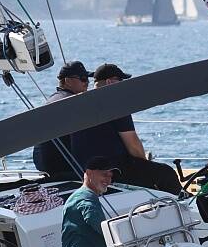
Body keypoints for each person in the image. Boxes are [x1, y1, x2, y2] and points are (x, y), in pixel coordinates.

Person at [69, 63, 182, 195]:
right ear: (110, 82)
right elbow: (133, 145)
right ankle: (183, 203)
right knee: (165, 173)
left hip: (84, 171)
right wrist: (146, 165)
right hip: (115, 170)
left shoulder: (78, 103)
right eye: (120, 81)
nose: (123, 85)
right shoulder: (115, 103)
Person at [32, 61, 90, 178]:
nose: (87, 82)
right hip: (66, 170)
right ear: (67, 81)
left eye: (88, 79)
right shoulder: (72, 102)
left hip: (46, 167)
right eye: (83, 78)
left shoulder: (53, 99)